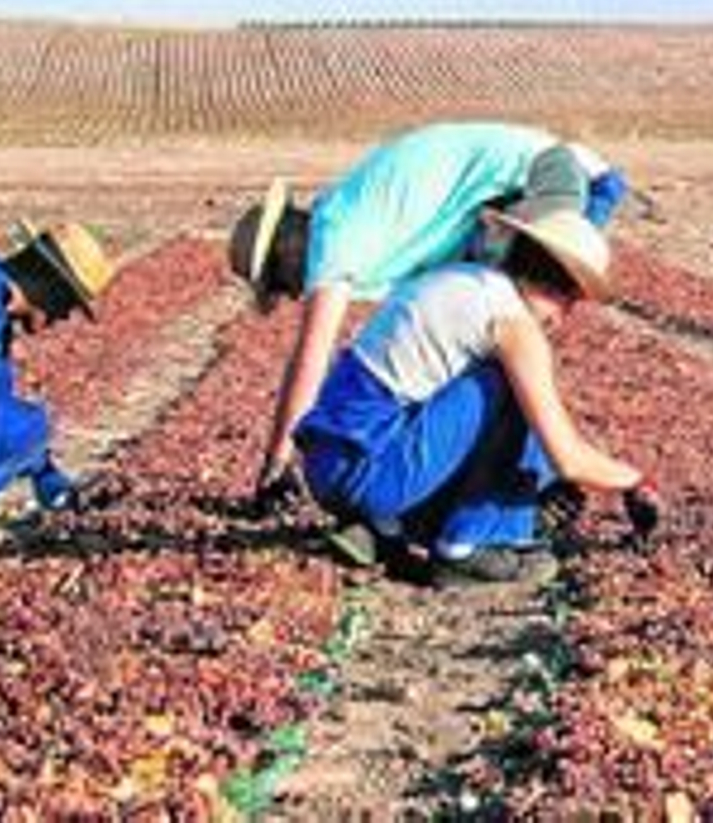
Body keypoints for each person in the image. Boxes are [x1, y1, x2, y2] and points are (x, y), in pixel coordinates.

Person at [227, 121, 629, 514]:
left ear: (286, 247)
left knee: (510, 341)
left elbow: (310, 358)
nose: (295, 292)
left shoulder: (334, 240)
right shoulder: (355, 220)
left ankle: (529, 484)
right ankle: (481, 487)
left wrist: (276, 464)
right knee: (484, 339)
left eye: (281, 281)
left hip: (546, 178)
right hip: (534, 183)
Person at [290, 202, 660, 586]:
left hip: (325, 464)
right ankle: (467, 547)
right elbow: (567, 457)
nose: (564, 317)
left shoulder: (461, 279)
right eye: (571, 301)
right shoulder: (513, 324)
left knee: (499, 399)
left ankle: (385, 528)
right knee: (509, 390)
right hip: (370, 472)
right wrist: (635, 481)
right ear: (560, 289)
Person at [0, 222, 117, 530]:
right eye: (68, 305)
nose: (63, 317)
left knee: (32, 422)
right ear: (51, 285)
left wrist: (45, 472)